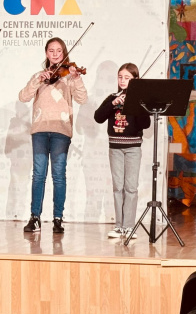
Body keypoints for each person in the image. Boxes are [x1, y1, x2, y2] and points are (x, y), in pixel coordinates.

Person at [19, 37, 87, 233]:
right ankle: (35, 217)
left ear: (64, 53)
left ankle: (58, 218)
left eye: (59, 50)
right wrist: (37, 81)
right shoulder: (39, 76)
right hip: (40, 130)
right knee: (38, 175)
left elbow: (82, 99)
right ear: (46, 53)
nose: (55, 54)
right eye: (51, 50)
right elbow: (23, 96)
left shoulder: (70, 76)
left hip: (61, 131)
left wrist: (76, 79)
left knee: (58, 175)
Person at [94, 63, 150, 239]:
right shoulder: (113, 98)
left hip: (133, 148)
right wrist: (113, 104)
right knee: (118, 187)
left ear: (135, 80)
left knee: (131, 188)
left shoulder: (139, 100)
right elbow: (98, 117)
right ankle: (119, 226)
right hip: (115, 148)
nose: (123, 80)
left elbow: (145, 124)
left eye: (127, 78)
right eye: (120, 77)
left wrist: (136, 104)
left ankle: (129, 226)